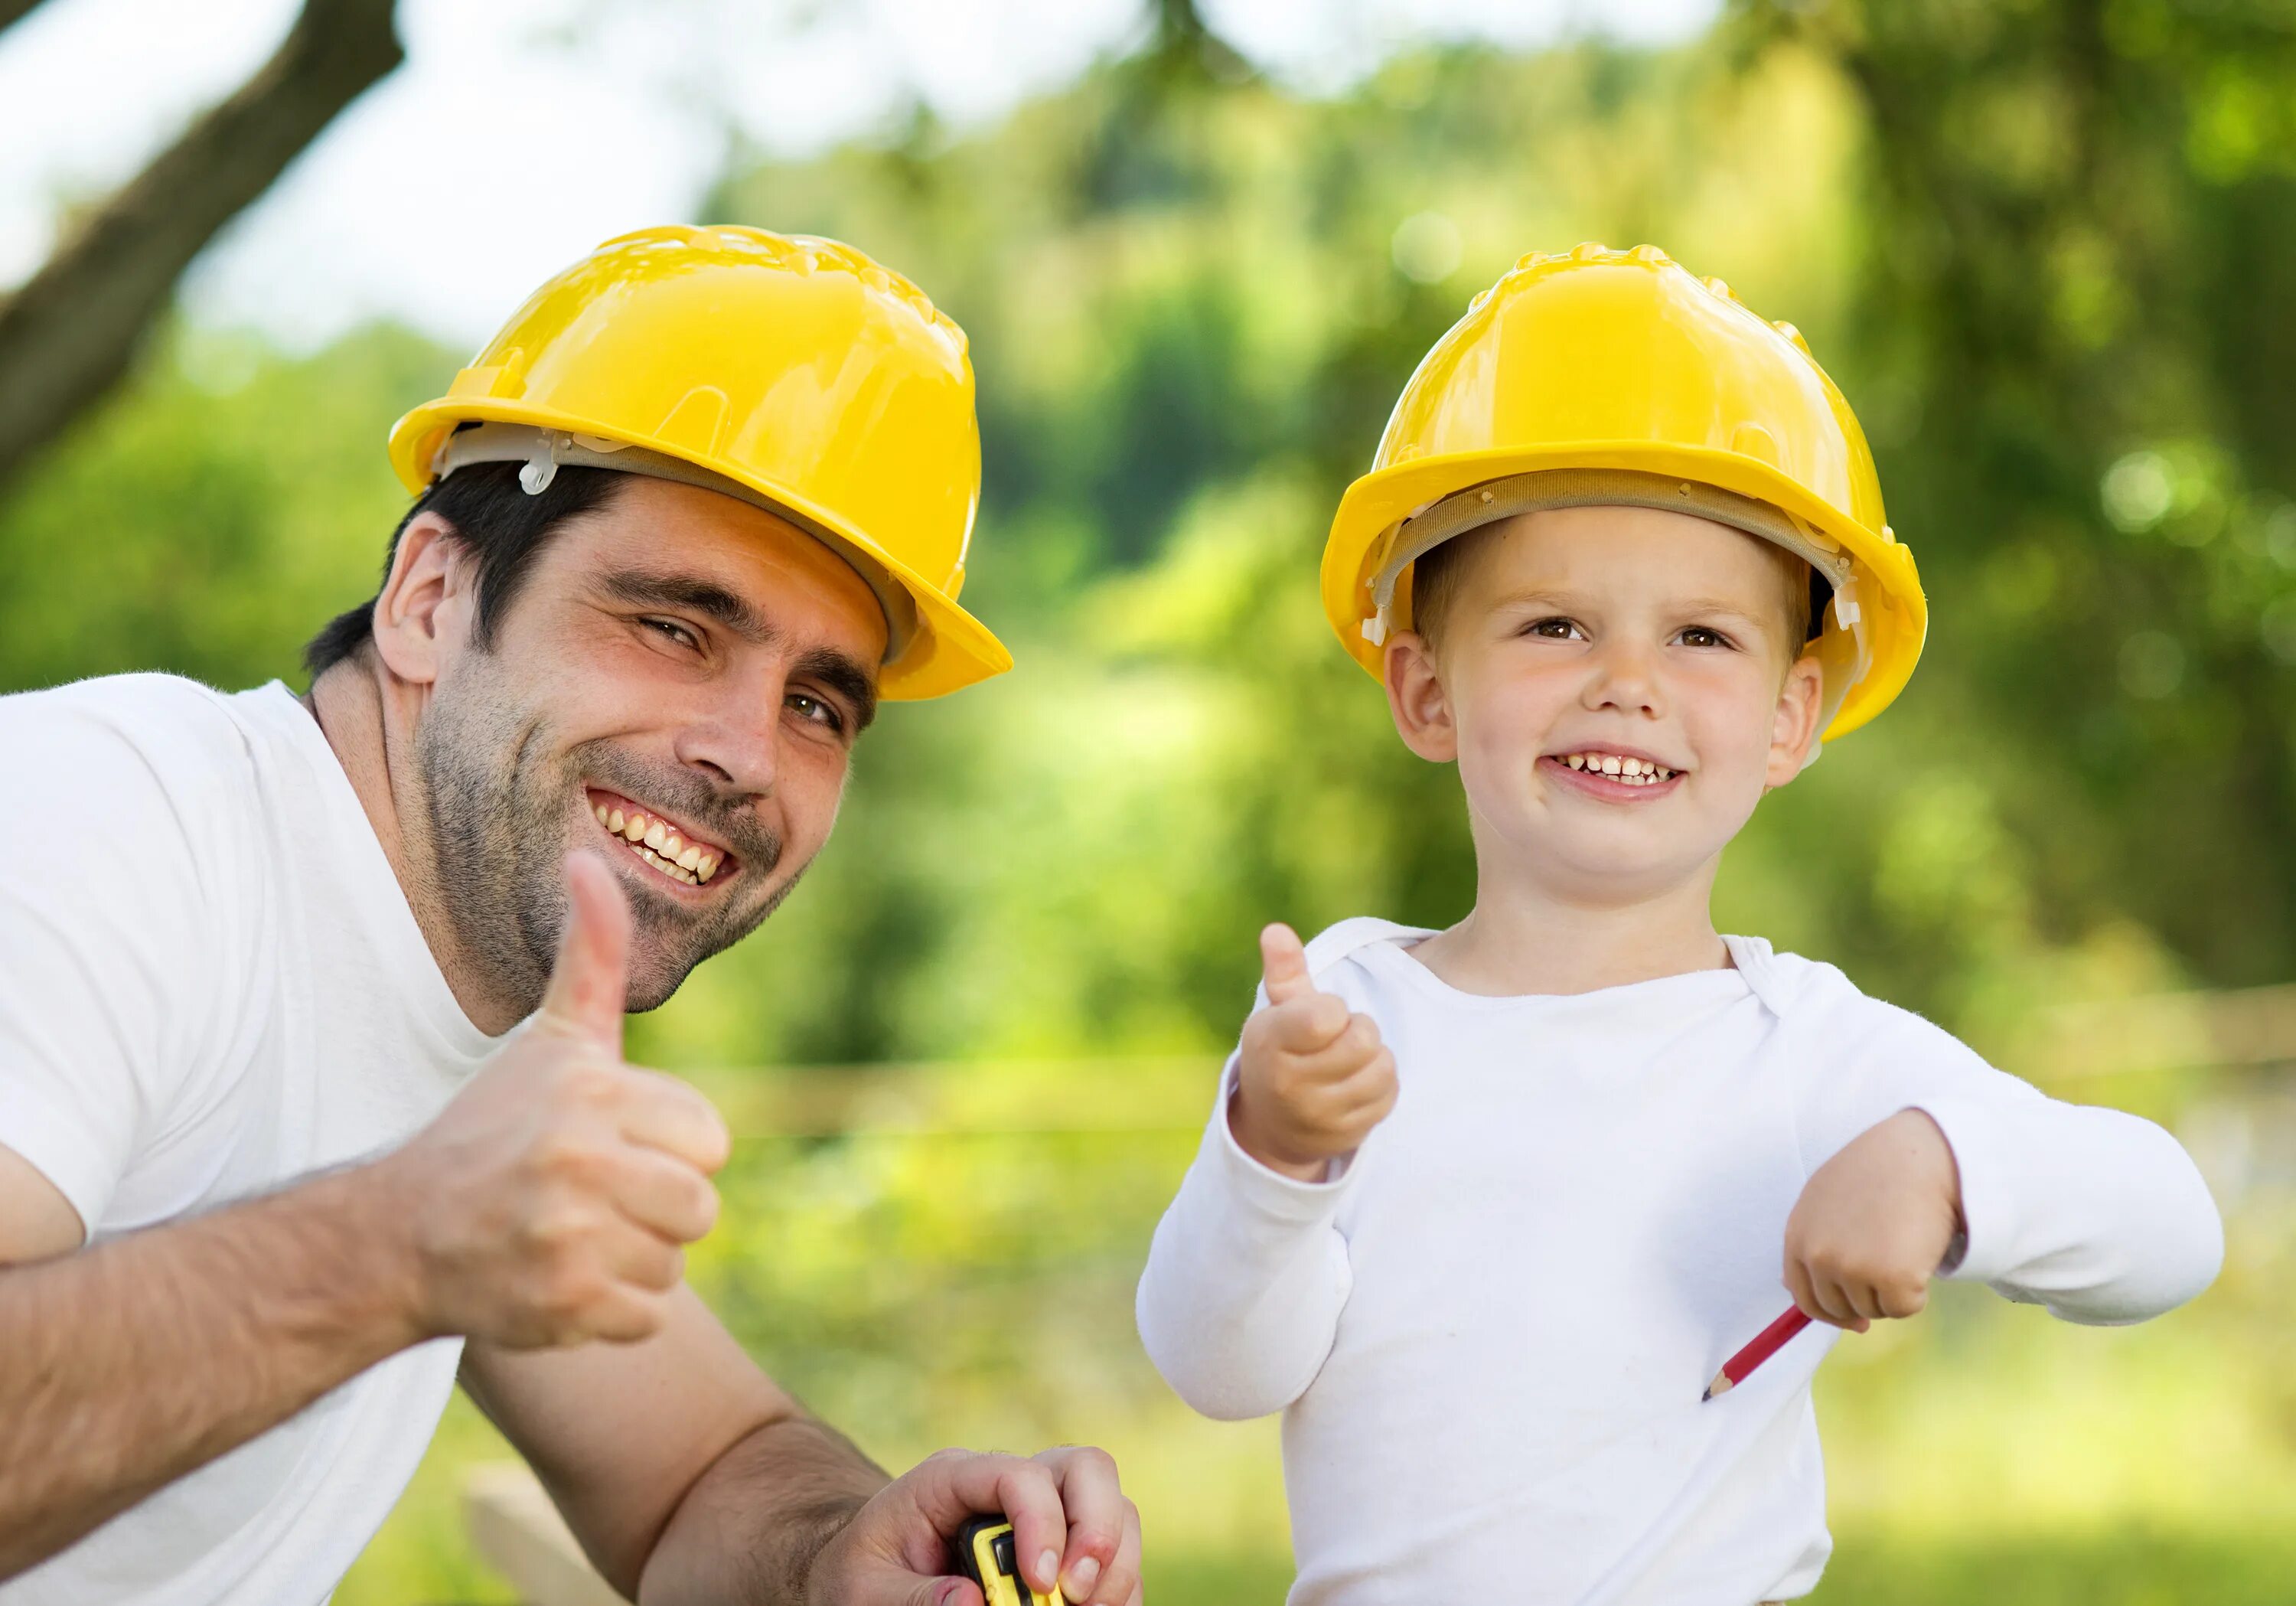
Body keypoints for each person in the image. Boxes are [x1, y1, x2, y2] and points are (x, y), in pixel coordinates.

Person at [0, 225, 1140, 1606]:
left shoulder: (479, 1030)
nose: (745, 752)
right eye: (674, 626)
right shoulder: (109, 815)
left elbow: (704, 1474)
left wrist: (842, 1552)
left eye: (818, 702)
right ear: (429, 599)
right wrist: (392, 1247)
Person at [1134, 243, 2223, 1605]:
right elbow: (1217, 1369)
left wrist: (1946, 1166)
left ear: (1789, 716)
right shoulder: (1342, 1023)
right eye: (1553, 626)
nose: (1628, 684)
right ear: (1424, 690)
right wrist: (1274, 1158)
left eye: (1703, 638)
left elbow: (2174, 1224)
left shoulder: (1811, 1053)